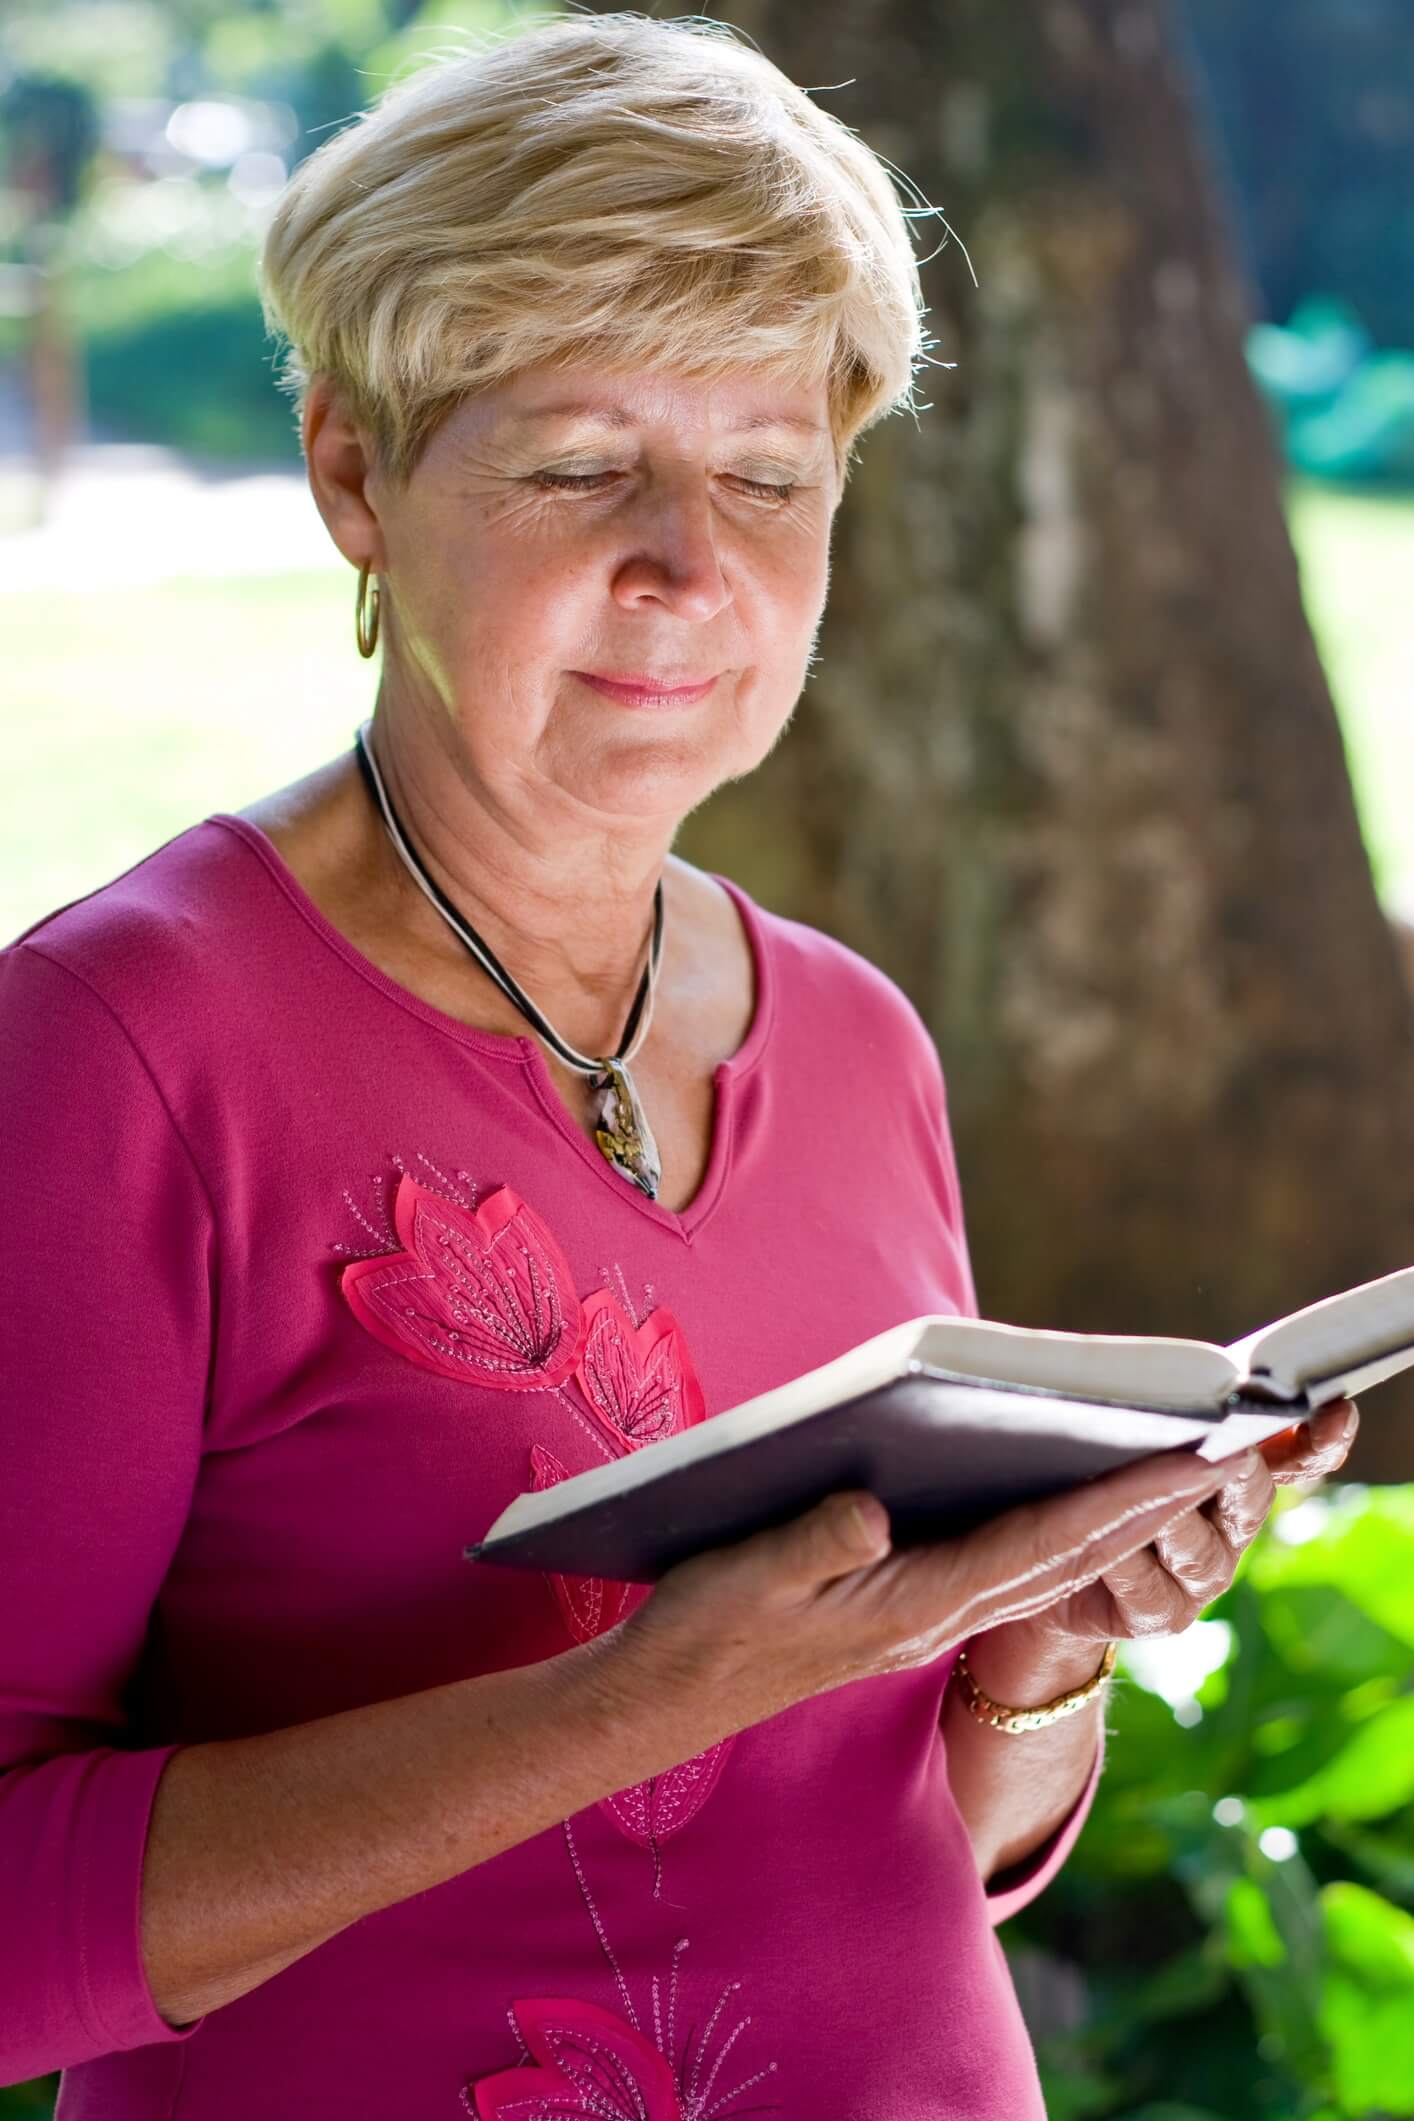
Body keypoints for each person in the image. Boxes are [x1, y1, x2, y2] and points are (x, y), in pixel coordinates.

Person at [0, 13, 1358, 2117]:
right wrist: (640, 1695)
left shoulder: (853, 1033)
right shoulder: (118, 1051)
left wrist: (1031, 1649)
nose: (688, 566)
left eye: (766, 475)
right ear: (354, 467)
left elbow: (914, 1852)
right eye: (576, 461)